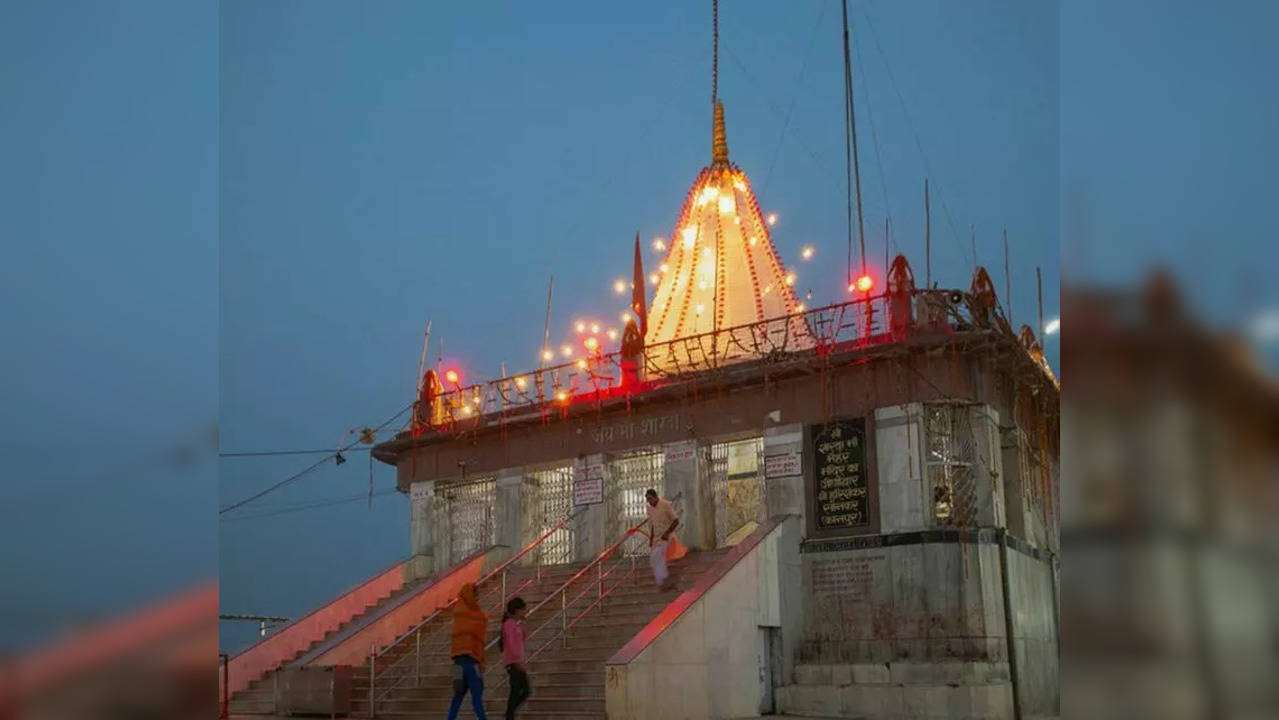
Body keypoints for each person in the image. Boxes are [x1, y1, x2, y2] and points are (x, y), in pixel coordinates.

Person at [447, 583, 488, 720]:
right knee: (476, 691)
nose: (477, 597)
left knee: (459, 693)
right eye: (475, 594)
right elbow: (474, 632)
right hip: (470, 660)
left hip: (457, 660)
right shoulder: (473, 613)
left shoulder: (458, 612)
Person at [643, 489, 682, 591]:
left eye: (650, 499)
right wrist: (651, 539)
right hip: (656, 539)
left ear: (655, 497)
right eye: (647, 500)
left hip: (667, 538)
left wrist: (667, 533)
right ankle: (662, 583)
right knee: (653, 560)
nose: (649, 502)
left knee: (657, 555)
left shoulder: (665, 505)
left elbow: (676, 521)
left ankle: (665, 580)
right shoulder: (649, 509)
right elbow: (652, 525)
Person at [499, 597, 530, 719]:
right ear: (517, 610)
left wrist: (522, 623)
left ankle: (509, 714)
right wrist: (517, 661)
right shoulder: (508, 625)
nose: (525, 612)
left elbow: (523, 638)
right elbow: (510, 645)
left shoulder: (516, 625)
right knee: (519, 691)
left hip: (517, 661)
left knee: (520, 691)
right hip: (513, 662)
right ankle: (509, 714)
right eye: (523, 609)